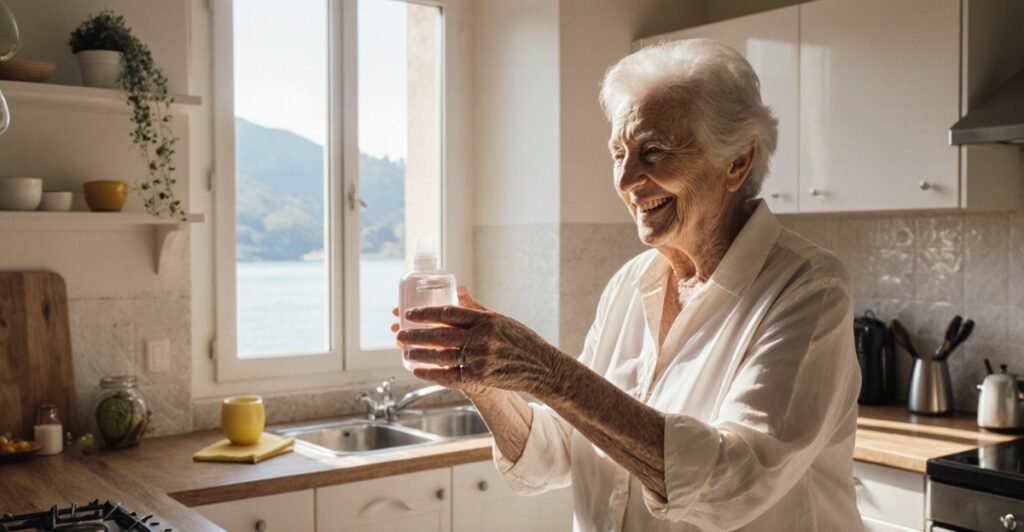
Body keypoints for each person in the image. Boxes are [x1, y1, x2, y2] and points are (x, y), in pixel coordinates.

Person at [395, 39, 862, 531]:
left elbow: (732, 484)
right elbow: (557, 455)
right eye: (619, 153)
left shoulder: (809, 290)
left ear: (737, 162)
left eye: (653, 152)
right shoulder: (629, 284)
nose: (626, 179)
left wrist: (549, 373)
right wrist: (487, 388)